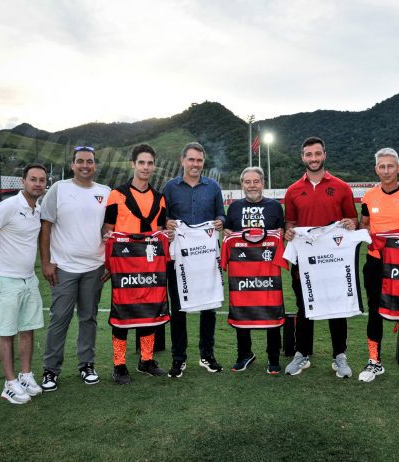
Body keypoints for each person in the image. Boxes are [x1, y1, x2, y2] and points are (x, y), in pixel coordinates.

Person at [283, 136, 358, 377]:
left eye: (317, 154)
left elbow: (354, 220)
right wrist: (289, 231)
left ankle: (340, 356)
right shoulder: (293, 190)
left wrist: (350, 223)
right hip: (305, 261)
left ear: (324, 155)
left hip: (334, 261)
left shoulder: (342, 187)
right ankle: (302, 354)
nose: (313, 159)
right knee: (304, 307)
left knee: (337, 307)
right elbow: (290, 224)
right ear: (302, 157)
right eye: (308, 155)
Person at [39, 146, 110, 391]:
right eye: (80, 161)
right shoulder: (59, 188)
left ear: (95, 165)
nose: (85, 166)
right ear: (72, 165)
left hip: (95, 267)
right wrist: (46, 261)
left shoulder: (105, 192)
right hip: (64, 267)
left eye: (89, 162)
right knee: (60, 319)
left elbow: (108, 230)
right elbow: (45, 227)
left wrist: (108, 262)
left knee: (88, 318)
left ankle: (86, 364)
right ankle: (50, 370)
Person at [0, 164, 48, 404]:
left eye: (41, 180)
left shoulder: (37, 209)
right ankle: (9, 383)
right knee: (7, 332)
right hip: (7, 280)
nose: (38, 184)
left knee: (28, 328)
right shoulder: (8, 206)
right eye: (33, 179)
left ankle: (25, 375)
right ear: (23, 182)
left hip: (29, 278)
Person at [357, 148, 399, 385]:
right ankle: (374, 361)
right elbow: (365, 225)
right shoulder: (369, 197)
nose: (386, 171)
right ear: (376, 169)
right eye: (381, 166)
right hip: (376, 263)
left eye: (390, 166)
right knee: (375, 311)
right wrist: (370, 235)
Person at [102, 144, 169, 384]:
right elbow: (108, 231)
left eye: (150, 163)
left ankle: (146, 360)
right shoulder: (116, 195)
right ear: (133, 164)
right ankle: (119, 364)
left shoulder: (160, 198)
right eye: (141, 162)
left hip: (150, 268)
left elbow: (160, 231)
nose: (146, 167)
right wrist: (109, 263)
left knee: (149, 312)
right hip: (124, 269)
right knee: (122, 315)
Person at [162, 141, 226, 377]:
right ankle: (179, 358)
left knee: (208, 308)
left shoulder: (213, 187)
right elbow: (163, 218)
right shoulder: (170, 188)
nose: (195, 164)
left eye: (199, 160)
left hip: (207, 257)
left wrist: (220, 221)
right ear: (183, 160)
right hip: (179, 257)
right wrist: (166, 224)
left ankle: (207, 355)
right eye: (191, 159)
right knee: (178, 308)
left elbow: (221, 214)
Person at [223, 166, 285, 374]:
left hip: (268, 271)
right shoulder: (234, 208)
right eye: (247, 182)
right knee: (242, 311)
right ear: (242, 185)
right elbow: (228, 231)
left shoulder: (275, 207)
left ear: (263, 183)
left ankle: (273, 357)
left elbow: (282, 234)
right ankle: (244, 354)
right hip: (242, 272)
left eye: (256, 181)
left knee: (271, 310)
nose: (252, 185)